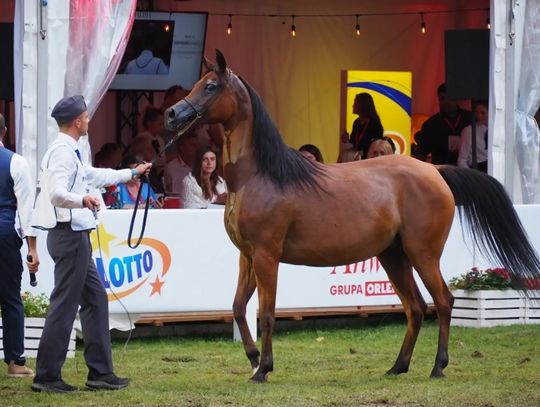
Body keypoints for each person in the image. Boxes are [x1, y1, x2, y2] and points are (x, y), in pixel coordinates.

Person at [30, 95, 151, 393]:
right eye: (85, 116)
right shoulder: (62, 152)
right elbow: (56, 193)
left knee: (95, 299)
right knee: (64, 305)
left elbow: (94, 175)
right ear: (76, 121)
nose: (88, 120)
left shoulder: (70, 151)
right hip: (69, 236)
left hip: (73, 236)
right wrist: (82, 200)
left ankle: (100, 373)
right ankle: (46, 376)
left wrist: (131, 173)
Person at [0, 113, 39, 378]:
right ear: (4, 132)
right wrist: (32, 248)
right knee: (11, 298)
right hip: (4, 233)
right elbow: (27, 210)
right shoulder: (16, 162)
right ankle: (16, 362)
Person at [415, 83, 471, 165]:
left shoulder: (469, 119)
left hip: (467, 171)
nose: (445, 102)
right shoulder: (431, 124)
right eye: (442, 98)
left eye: (449, 98)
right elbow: (421, 153)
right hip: (441, 172)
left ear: (456, 99)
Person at [339, 92, 384, 162]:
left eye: (355, 103)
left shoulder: (375, 124)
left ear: (363, 105)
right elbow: (355, 144)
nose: (353, 105)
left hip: (369, 162)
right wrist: (347, 141)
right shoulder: (356, 122)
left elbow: (377, 147)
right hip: (356, 160)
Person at [180, 145, 227, 209]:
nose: (209, 163)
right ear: (199, 161)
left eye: (212, 159)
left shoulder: (219, 181)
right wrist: (217, 201)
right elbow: (189, 209)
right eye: (205, 159)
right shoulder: (188, 181)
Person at [457, 101, 489, 172]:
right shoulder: (469, 130)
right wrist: (471, 176)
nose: (479, 116)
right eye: (477, 112)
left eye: (483, 113)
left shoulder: (497, 130)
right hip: (477, 170)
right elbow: (462, 159)